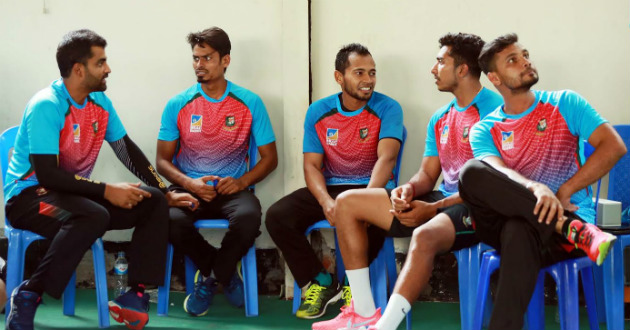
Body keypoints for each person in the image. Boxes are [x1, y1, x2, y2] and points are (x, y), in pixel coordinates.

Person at [3, 29, 195, 330]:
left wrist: (165, 190)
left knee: (153, 201)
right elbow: (47, 175)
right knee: (92, 214)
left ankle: (135, 296)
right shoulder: (48, 105)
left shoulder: (99, 104)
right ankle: (28, 293)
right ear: (79, 69)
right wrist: (106, 190)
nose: (108, 69)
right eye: (100, 62)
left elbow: (125, 150)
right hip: (30, 200)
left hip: (72, 197)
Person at [313, 33, 503, 330]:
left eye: (441, 61)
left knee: (425, 230)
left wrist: (434, 209)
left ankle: (384, 326)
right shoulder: (441, 117)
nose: (433, 68)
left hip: (481, 207)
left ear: (463, 69)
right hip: (444, 199)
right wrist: (408, 190)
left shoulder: (494, 111)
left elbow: (493, 185)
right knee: (348, 202)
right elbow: (428, 174)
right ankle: (362, 311)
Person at [458, 33, 626, 330]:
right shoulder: (485, 129)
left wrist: (565, 189)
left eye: (524, 55)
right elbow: (494, 170)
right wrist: (534, 187)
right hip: (552, 227)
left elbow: (614, 146)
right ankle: (570, 228)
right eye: (513, 60)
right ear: (495, 78)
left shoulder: (565, 103)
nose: (525, 61)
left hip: (549, 225)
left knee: (519, 228)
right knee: (471, 172)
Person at [265, 43, 404, 320]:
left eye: (372, 73)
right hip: (332, 187)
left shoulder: (389, 108)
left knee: (377, 220)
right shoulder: (319, 111)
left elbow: (386, 159)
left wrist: (364, 201)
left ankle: (355, 288)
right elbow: (312, 165)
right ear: (339, 77)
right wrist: (326, 202)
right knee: (278, 216)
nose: (368, 80)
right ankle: (320, 281)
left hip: (372, 186)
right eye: (359, 73)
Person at [156, 27, 278, 316]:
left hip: (232, 189)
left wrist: (241, 182)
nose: (200, 65)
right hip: (189, 187)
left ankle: (209, 280)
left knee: (249, 218)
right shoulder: (178, 103)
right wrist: (191, 184)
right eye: (196, 58)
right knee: (169, 219)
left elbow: (269, 158)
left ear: (226, 60)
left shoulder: (249, 102)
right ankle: (224, 273)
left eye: (207, 58)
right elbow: (162, 161)